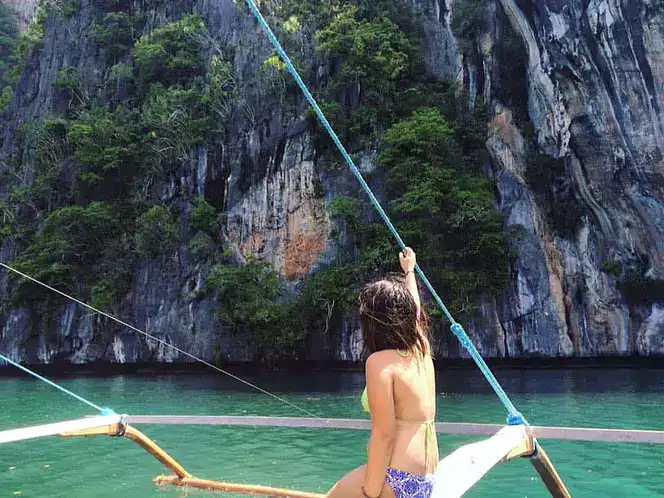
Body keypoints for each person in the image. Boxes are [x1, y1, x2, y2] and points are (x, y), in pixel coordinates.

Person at [327, 247, 438, 498]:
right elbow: (417, 315)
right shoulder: (421, 350)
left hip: (397, 477)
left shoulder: (379, 363)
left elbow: (384, 434)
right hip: (425, 478)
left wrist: (371, 492)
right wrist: (409, 272)